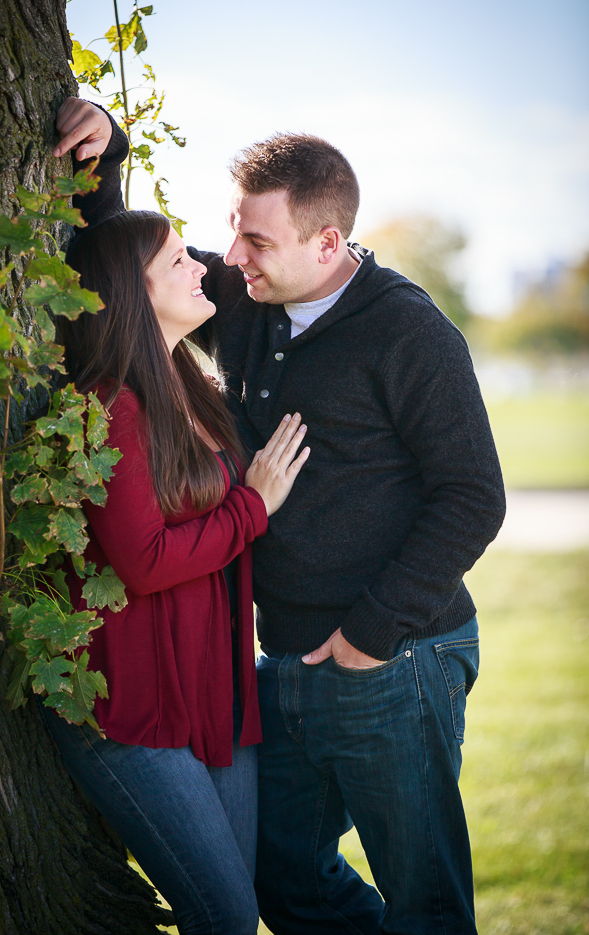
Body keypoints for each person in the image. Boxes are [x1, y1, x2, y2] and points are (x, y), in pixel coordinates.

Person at [55, 99, 506, 934]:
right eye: (234, 233)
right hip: (281, 664)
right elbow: (131, 273)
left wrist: (371, 634)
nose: (230, 258)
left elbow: (474, 497)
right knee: (283, 881)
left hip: (395, 656)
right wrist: (105, 155)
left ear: (327, 243)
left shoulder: (411, 334)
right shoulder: (248, 293)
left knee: (427, 900)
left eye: (255, 242)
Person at [41, 100, 310, 935]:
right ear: (131, 296)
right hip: (136, 709)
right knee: (224, 918)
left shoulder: (194, 387)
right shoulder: (108, 407)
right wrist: (252, 508)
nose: (201, 269)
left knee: (237, 916)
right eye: (176, 265)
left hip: (216, 697)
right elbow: (145, 559)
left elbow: (132, 249)